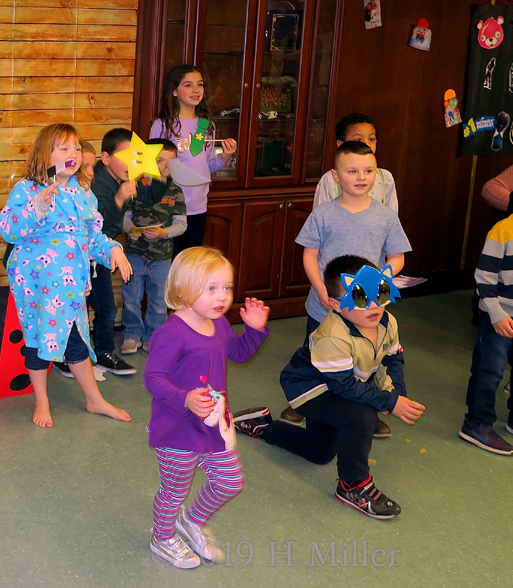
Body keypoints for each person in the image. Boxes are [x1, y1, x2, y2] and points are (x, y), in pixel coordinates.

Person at [236, 256, 424, 519]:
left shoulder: (387, 322)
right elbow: (344, 387)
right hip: (309, 388)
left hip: (337, 386)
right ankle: (353, 485)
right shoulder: (333, 335)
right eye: (360, 298)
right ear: (336, 304)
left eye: (378, 293)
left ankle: (263, 426)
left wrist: (397, 395)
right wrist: (388, 403)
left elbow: (392, 359)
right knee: (362, 417)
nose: (373, 305)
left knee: (320, 451)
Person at [0, 123, 134, 429]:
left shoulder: (82, 194)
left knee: (76, 339)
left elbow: (91, 236)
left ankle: (94, 399)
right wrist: (38, 207)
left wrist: (112, 249)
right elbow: (8, 228)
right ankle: (41, 400)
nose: (72, 154)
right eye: (64, 148)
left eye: (75, 148)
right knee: (37, 339)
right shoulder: (28, 188)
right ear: (46, 153)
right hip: (38, 285)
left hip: (72, 286)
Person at [142, 246, 269, 568]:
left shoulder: (219, 323)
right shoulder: (171, 333)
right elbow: (153, 378)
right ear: (184, 289)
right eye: (211, 288)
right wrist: (183, 397)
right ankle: (163, 536)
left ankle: (193, 520)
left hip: (212, 425)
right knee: (174, 490)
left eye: (226, 287)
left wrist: (253, 330)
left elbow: (237, 354)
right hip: (177, 430)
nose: (222, 296)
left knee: (230, 482)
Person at [280, 140, 411, 430]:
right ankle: (307, 402)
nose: (361, 177)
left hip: (367, 307)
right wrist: (321, 290)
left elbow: (397, 257)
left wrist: (379, 281)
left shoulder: (386, 217)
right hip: (326, 302)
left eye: (368, 171)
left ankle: (367, 410)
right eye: (352, 171)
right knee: (316, 354)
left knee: (364, 356)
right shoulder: (323, 214)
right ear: (336, 176)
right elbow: (309, 255)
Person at [86, 127, 169, 368]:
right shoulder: (97, 182)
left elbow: (148, 196)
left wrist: (162, 177)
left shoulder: (125, 177)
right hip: (87, 252)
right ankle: (81, 355)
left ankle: (101, 352)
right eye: (124, 157)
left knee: (106, 308)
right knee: (93, 308)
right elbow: (95, 222)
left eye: (134, 157)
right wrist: (119, 200)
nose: (130, 163)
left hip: (102, 251)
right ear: (106, 158)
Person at [461, 172, 513, 455]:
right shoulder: (504, 230)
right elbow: (484, 277)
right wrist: (496, 314)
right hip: (498, 315)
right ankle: (477, 423)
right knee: (490, 372)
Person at [149, 65, 238, 255]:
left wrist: (225, 156)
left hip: (198, 208)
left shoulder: (206, 125)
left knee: (188, 264)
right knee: (167, 264)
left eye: (200, 85)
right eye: (188, 85)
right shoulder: (162, 125)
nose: (196, 90)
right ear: (174, 91)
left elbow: (207, 166)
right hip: (169, 207)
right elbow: (152, 168)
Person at [120, 138, 186, 353]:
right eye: (159, 160)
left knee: (158, 301)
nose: (164, 166)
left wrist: (164, 232)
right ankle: (131, 335)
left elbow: (181, 224)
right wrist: (130, 228)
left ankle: (153, 337)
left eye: (170, 162)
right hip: (134, 255)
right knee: (132, 297)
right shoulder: (137, 186)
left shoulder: (175, 191)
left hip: (162, 258)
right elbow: (125, 215)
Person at [312, 113, 399, 212]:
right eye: (358, 140)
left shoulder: (385, 178)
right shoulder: (330, 179)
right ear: (341, 145)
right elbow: (320, 219)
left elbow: (392, 217)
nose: (367, 144)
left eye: (371, 139)